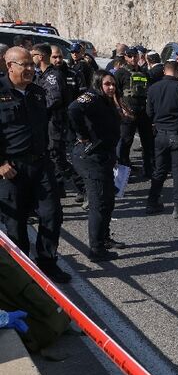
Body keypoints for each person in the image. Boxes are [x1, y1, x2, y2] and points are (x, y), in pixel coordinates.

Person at [0, 47, 70, 283]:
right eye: (24, 65)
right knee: (16, 223)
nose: (31, 69)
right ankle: (23, 271)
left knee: (52, 214)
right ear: (10, 66)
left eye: (32, 64)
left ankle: (47, 262)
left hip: (41, 165)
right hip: (11, 170)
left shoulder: (38, 93)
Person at [68, 70, 129, 261]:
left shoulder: (106, 100)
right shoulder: (92, 97)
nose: (111, 88)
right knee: (98, 204)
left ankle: (104, 238)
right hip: (91, 157)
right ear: (98, 84)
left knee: (108, 201)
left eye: (113, 84)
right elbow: (73, 109)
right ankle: (96, 249)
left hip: (105, 156)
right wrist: (82, 135)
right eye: (107, 84)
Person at [145, 60, 178, 219]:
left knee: (160, 170)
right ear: (177, 72)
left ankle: (152, 202)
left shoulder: (153, 89)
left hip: (160, 134)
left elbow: (149, 113)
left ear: (164, 72)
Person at [33, 44, 85, 202]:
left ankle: (84, 187)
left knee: (57, 157)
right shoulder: (41, 75)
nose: (31, 58)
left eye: (33, 55)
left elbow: (54, 100)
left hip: (56, 122)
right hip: (48, 123)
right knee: (51, 157)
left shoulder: (52, 76)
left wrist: (38, 108)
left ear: (40, 56)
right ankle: (58, 188)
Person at [115, 48, 154, 178]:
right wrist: (121, 109)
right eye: (130, 56)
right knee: (125, 143)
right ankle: (123, 174)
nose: (133, 59)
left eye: (135, 56)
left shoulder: (144, 73)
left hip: (143, 113)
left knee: (148, 143)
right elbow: (115, 93)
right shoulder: (121, 73)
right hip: (127, 114)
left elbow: (149, 91)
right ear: (125, 57)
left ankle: (149, 169)